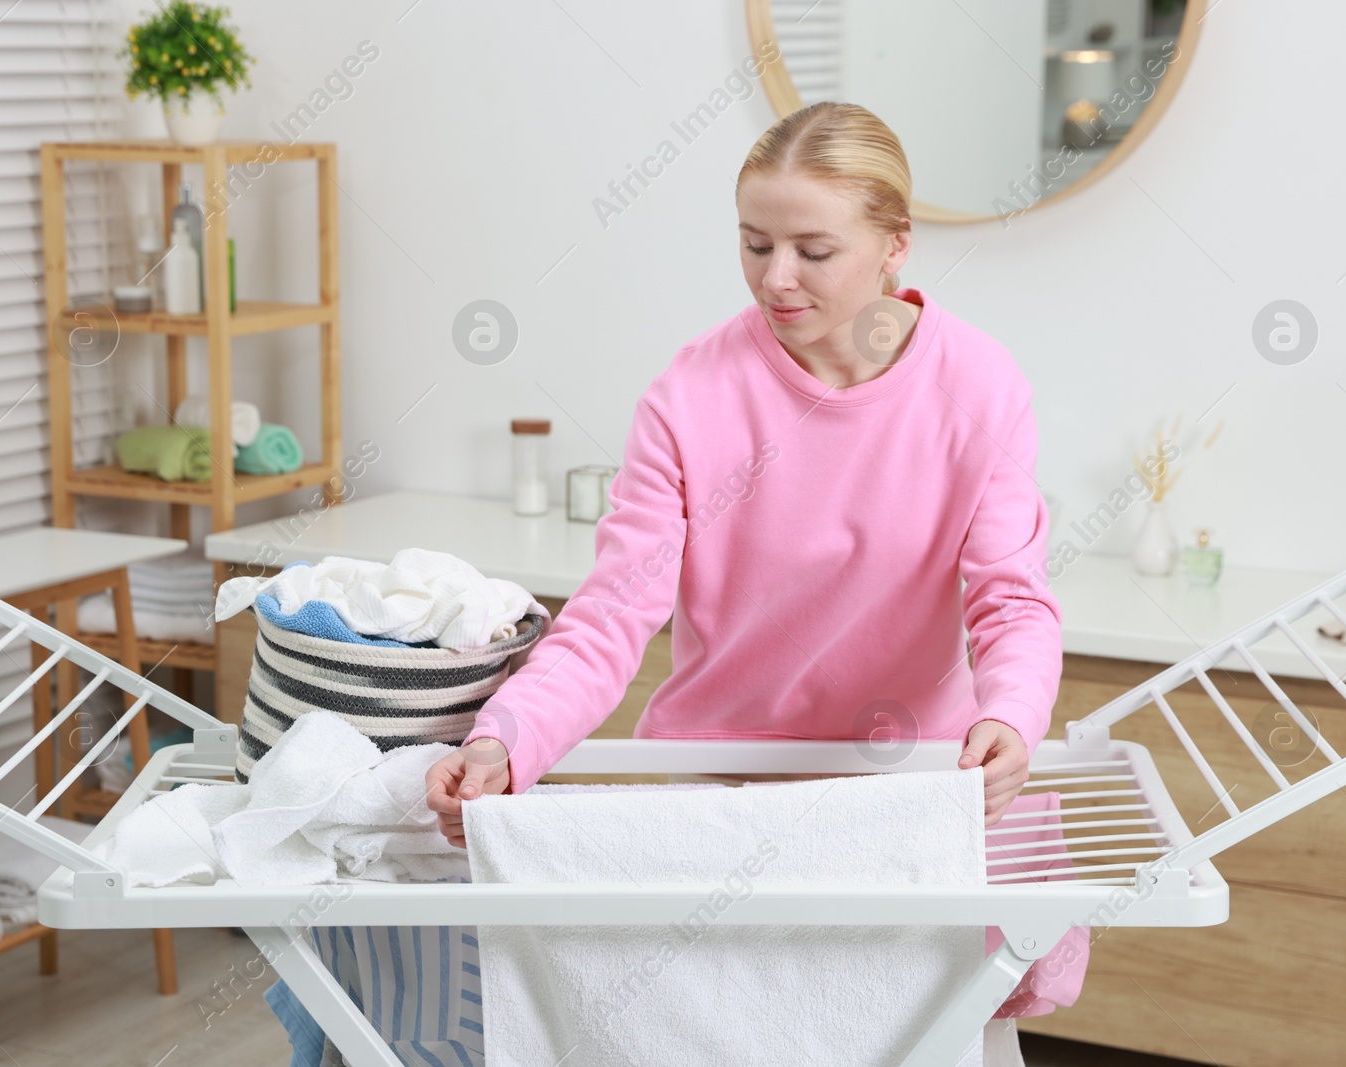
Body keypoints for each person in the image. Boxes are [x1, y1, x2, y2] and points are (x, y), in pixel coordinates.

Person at [427, 100, 1062, 846]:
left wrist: (1009, 716)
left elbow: (1012, 600)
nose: (776, 279)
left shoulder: (979, 386)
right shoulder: (689, 397)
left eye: (814, 252)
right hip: (721, 784)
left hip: (917, 776)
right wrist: (506, 737)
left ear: (895, 245)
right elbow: (611, 614)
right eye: (755, 244)